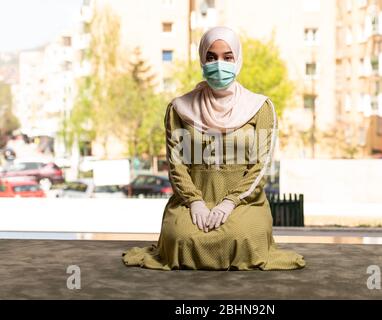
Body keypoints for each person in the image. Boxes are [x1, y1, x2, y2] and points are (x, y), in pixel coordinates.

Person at [122, 26, 306, 271]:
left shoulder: (260, 107)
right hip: (191, 202)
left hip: (244, 202)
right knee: (181, 239)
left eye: (227, 57)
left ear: (238, 59)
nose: (219, 64)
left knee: (243, 238)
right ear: (202, 59)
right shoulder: (179, 108)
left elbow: (260, 167)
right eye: (211, 57)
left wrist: (230, 201)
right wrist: (195, 201)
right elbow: (176, 165)